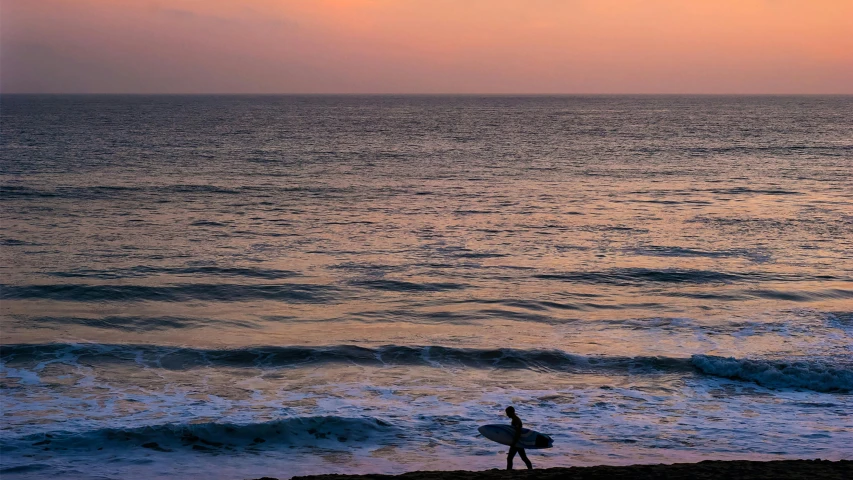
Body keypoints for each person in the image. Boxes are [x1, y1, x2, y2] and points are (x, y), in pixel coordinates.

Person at [505, 406, 533, 470]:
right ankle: (530, 469)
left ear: (511, 412)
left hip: (517, 442)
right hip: (518, 442)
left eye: (507, 413)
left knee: (510, 458)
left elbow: (518, 432)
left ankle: (509, 471)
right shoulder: (514, 419)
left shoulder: (516, 420)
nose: (507, 414)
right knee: (523, 457)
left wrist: (514, 442)